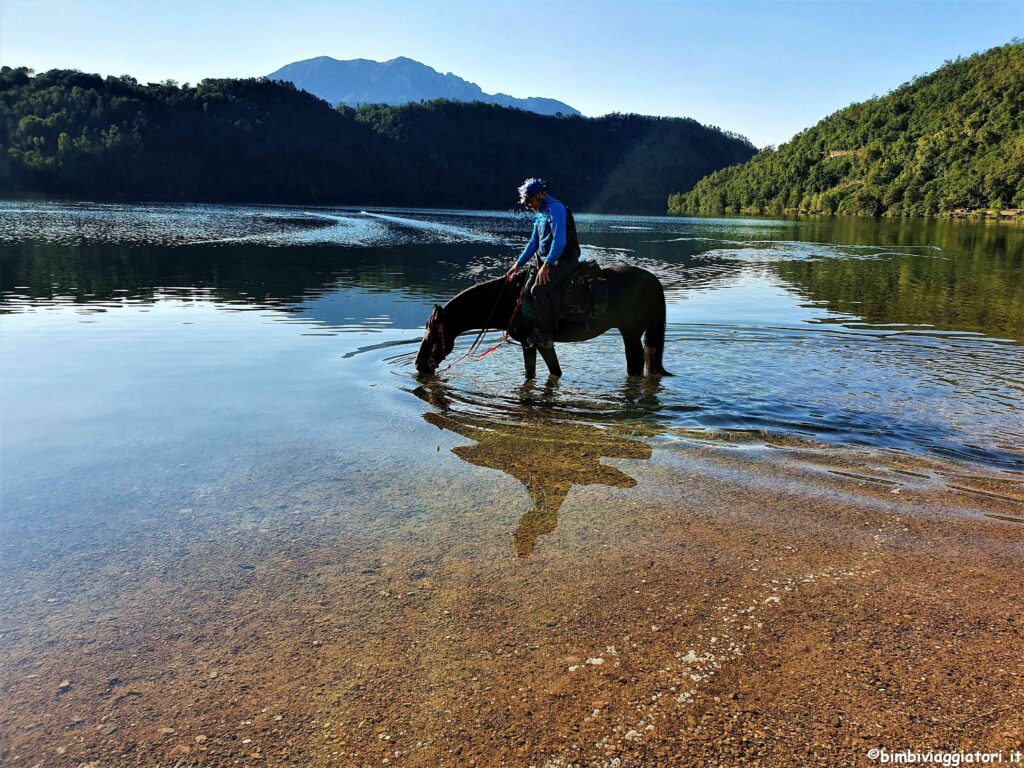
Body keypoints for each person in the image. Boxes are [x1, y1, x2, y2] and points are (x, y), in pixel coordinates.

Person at [504, 178, 581, 348]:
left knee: (537, 290)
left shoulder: (556, 209)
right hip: (549, 260)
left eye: (530, 201)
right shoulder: (540, 213)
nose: (529, 206)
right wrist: (517, 264)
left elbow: (559, 241)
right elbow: (533, 243)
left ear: (540, 195)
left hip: (565, 259)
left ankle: (546, 335)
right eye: (527, 203)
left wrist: (547, 265)